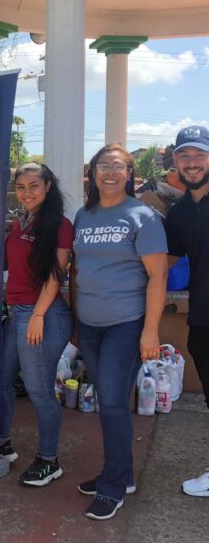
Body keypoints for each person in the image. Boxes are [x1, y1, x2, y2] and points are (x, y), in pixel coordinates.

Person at [70, 143, 168, 520]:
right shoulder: (84, 215)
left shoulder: (143, 217)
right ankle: (121, 474)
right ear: (92, 175)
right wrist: (78, 321)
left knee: (111, 402)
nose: (109, 173)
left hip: (126, 324)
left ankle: (112, 488)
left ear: (129, 175)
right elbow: (77, 272)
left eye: (117, 167)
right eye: (102, 167)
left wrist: (151, 332)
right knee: (109, 403)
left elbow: (157, 277)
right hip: (91, 325)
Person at [0, 163, 74, 486]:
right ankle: (1, 445)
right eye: (21, 187)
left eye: (34, 186)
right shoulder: (19, 224)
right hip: (16, 313)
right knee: (0, 381)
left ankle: (48, 460)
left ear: (47, 187)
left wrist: (38, 315)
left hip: (43, 315)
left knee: (39, 391)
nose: (27, 193)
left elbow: (56, 275)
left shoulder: (59, 224)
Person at [165, 125, 209, 497]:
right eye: (185, 156)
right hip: (203, 317)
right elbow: (166, 262)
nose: (192, 163)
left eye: (199, 155)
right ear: (175, 161)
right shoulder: (179, 214)